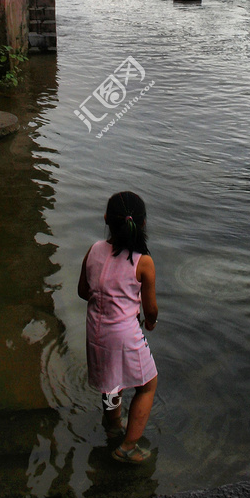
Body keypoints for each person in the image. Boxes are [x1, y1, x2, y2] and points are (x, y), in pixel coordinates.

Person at [78, 191, 158, 464]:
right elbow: (151, 308)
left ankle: (113, 425)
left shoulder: (94, 250)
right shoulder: (142, 262)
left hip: (95, 332)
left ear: (106, 220)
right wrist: (150, 322)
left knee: (111, 384)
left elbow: (82, 291)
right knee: (147, 385)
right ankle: (128, 447)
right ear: (143, 224)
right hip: (124, 333)